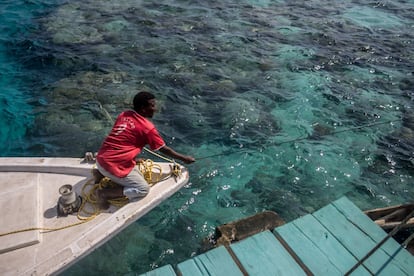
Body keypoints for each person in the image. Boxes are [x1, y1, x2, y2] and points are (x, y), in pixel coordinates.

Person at [95, 91, 195, 208]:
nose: (155, 109)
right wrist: (184, 158)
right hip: (110, 166)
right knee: (142, 189)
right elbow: (163, 149)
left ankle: (99, 174)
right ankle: (104, 194)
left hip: (100, 159)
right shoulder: (148, 128)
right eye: (152, 105)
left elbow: (122, 140)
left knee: (116, 159)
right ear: (143, 108)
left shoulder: (124, 115)